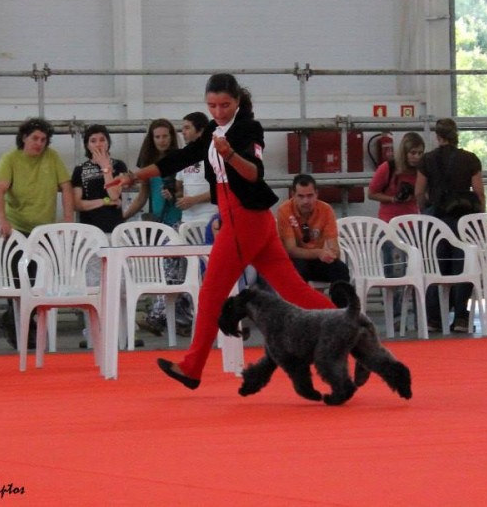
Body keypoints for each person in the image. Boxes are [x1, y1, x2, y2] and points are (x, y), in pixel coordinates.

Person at [119, 73, 336, 390]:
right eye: (212, 105)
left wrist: (230, 155)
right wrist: (136, 176)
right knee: (294, 291)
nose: (218, 111)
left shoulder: (249, 128)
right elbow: (180, 158)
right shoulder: (212, 130)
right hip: (249, 219)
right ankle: (351, 327)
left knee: (210, 293)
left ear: (237, 102)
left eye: (224, 105)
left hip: (243, 219)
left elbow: (254, 174)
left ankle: (192, 367)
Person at [0, 117, 74, 349]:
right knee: (19, 282)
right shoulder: (10, 159)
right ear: (24, 138)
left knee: (41, 282)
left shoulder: (52, 157)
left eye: (43, 140)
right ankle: (21, 325)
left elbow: (66, 187)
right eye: (35, 138)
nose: (39, 143)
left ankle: (15, 321)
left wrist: (68, 218)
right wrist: (1, 220)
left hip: (44, 230)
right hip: (17, 228)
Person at [71, 124, 142, 348]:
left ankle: (126, 332)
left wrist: (105, 168)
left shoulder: (118, 166)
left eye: (102, 139)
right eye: (93, 140)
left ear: (108, 142)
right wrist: (103, 201)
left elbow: (114, 192)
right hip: (90, 232)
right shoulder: (80, 171)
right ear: (87, 145)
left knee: (122, 282)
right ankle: (93, 334)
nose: (98, 144)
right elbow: (78, 203)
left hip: (115, 230)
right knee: (93, 284)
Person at [415, 117, 485, 334]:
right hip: (463, 220)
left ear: (437, 136)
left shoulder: (427, 159)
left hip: (436, 220)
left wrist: (426, 210)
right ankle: (461, 318)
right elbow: (479, 191)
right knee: (463, 268)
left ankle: (434, 320)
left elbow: (419, 191)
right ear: (456, 135)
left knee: (435, 267)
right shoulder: (470, 159)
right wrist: (479, 216)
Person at [123, 119, 191, 337]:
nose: (162, 140)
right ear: (151, 139)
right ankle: (179, 318)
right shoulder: (148, 165)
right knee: (172, 271)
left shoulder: (180, 160)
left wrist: (175, 195)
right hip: (159, 224)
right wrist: (121, 217)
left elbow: (185, 191)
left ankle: (158, 315)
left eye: (165, 136)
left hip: (178, 221)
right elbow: (142, 197)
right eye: (157, 137)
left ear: (172, 137)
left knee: (173, 271)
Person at [367, 131, 425, 327]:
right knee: (395, 271)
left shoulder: (421, 171)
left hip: (412, 224)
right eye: (413, 153)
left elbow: (425, 194)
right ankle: (396, 316)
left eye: (420, 153)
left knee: (416, 269)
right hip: (389, 224)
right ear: (404, 152)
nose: (416, 157)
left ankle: (420, 316)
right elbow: (372, 193)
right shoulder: (388, 168)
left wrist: (417, 196)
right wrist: (393, 198)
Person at [276, 174, 350, 284]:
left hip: (317, 261)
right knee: (299, 268)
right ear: (293, 195)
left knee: (340, 269)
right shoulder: (284, 211)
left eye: (310, 196)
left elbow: (335, 249)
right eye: (301, 196)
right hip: (295, 261)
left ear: (316, 194)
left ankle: (340, 295)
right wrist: (318, 253)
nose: (306, 201)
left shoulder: (326, 210)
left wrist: (331, 254)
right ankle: (300, 296)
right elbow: (291, 250)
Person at [175, 112, 218, 224]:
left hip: (210, 217)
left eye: (187, 128)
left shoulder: (214, 155)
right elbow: (179, 187)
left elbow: (220, 189)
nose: (183, 132)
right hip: (187, 219)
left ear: (201, 131)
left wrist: (194, 200)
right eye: (183, 128)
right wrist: (172, 193)